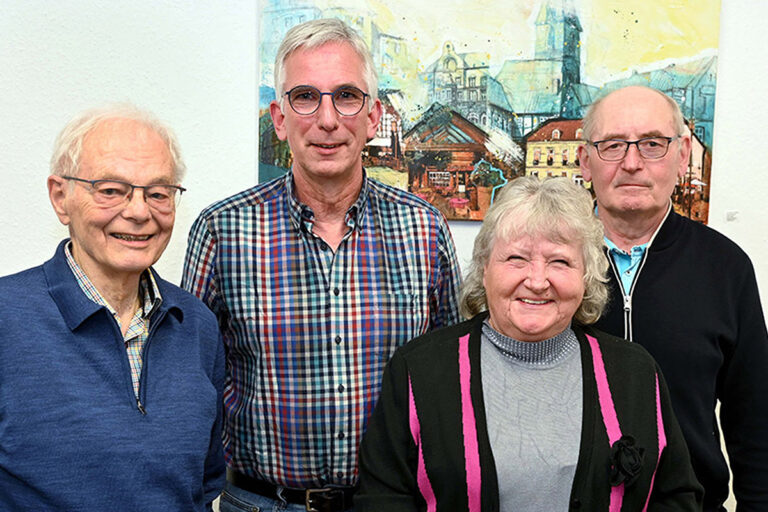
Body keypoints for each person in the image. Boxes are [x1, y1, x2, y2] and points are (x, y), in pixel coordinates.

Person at [182, 18, 461, 512]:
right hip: (259, 501)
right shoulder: (222, 231)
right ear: (280, 117)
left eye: (347, 96)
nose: (327, 119)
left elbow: (453, 382)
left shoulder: (425, 230)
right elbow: (188, 386)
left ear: (373, 117)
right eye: (306, 96)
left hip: (390, 503)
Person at [355, 177, 703, 511]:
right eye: (517, 258)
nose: (537, 281)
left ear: (586, 277)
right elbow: (383, 498)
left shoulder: (635, 373)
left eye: (560, 261)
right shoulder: (419, 371)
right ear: (485, 268)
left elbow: (675, 495)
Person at [0, 105, 225, 510]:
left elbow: (203, 485)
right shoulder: (6, 317)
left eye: (158, 193)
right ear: (60, 197)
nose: (138, 212)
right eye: (110, 190)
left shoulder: (197, 326)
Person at [578, 85, 768, 511]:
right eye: (611, 145)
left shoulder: (726, 267)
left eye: (652, 144)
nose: (631, 163)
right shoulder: (549, 269)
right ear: (585, 160)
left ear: (683, 155)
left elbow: (755, 422)